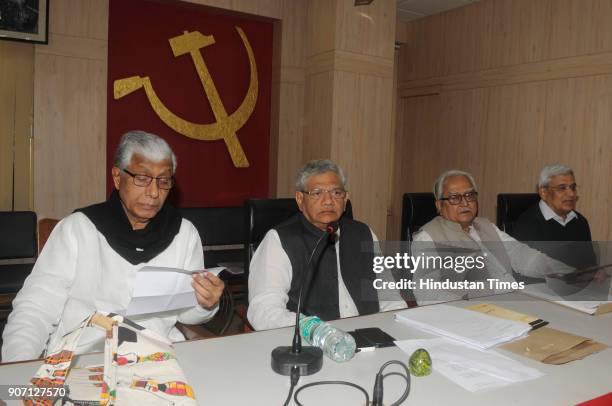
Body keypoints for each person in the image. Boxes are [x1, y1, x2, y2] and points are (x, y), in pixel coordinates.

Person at [2, 130, 224, 362]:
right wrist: (17, 367)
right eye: (142, 178)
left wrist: (204, 303)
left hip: (157, 356)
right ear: (117, 177)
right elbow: (36, 308)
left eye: (163, 180)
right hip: (86, 356)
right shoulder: (79, 229)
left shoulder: (184, 233)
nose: (154, 192)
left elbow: (187, 314)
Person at [247, 159, 405, 330]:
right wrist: (317, 331)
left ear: (346, 199)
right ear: (300, 200)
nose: (328, 201)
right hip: (312, 342)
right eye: (317, 193)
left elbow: (389, 298)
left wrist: (398, 329)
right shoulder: (279, 240)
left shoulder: (363, 233)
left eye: (336, 193)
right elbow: (264, 311)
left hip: (369, 334)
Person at [411, 169, 572, 304]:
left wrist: (561, 270)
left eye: (469, 195)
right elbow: (427, 294)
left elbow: (520, 254)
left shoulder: (486, 226)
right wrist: (493, 290)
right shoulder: (427, 238)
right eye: (454, 198)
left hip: (513, 303)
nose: (465, 203)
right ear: (439, 205)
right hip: (473, 315)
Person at [511, 164, 596, 269]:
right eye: (562, 188)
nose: (571, 194)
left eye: (573, 187)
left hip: (577, 283)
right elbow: (527, 269)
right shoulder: (527, 223)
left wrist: (594, 272)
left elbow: (590, 262)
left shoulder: (580, 221)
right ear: (543, 192)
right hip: (539, 284)